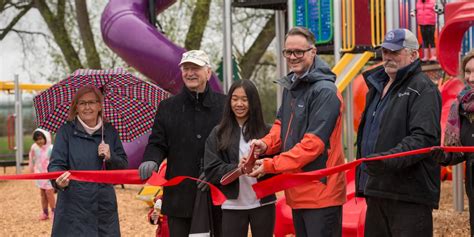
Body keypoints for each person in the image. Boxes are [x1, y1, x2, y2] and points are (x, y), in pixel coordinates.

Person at [249, 26, 346, 237]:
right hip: (297, 190)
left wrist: (271, 164)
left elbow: (313, 145)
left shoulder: (325, 92)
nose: (293, 57)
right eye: (288, 52)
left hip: (322, 192)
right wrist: (265, 144)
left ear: (313, 52)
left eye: (298, 52)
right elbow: (280, 127)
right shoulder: (292, 87)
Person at [355, 28, 441, 236]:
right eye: (385, 51)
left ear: (413, 54)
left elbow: (424, 139)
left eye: (395, 51)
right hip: (376, 190)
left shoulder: (423, 88)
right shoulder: (376, 87)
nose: (388, 57)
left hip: (408, 196)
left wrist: (385, 160)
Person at [139, 49, 225, 237]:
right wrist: (151, 159)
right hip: (180, 198)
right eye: (186, 68)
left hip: (216, 195)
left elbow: (232, 146)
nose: (190, 73)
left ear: (208, 72)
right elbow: (157, 143)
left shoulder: (225, 105)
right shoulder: (168, 107)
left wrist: (216, 171)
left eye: (196, 68)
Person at [48, 85, 128, 236]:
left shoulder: (109, 131)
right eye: (82, 103)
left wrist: (111, 157)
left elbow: (123, 167)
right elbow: (56, 164)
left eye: (91, 102)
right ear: (76, 107)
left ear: (99, 105)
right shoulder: (66, 131)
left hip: (103, 206)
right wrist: (58, 180)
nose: (87, 107)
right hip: (73, 205)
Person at [204, 80, 276, 237]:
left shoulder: (268, 131)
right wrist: (238, 168)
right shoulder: (218, 133)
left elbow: (280, 164)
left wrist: (264, 166)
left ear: (253, 102)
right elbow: (210, 170)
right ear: (229, 101)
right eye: (235, 98)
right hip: (232, 205)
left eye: (245, 99)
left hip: (264, 203)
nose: (239, 104)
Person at [431, 50, 474, 235]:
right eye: (468, 71)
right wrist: (443, 155)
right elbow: (458, 151)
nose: (471, 78)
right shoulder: (461, 107)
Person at [28, 128, 56, 221]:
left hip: (49, 174)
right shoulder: (34, 147)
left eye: (41, 138)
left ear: (46, 137)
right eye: (36, 140)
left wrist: (55, 173)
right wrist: (31, 169)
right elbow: (31, 158)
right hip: (39, 173)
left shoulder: (51, 148)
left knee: (49, 193)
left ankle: (53, 212)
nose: (39, 141)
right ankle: (45, 212)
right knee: (43, 193)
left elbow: (55, 161)